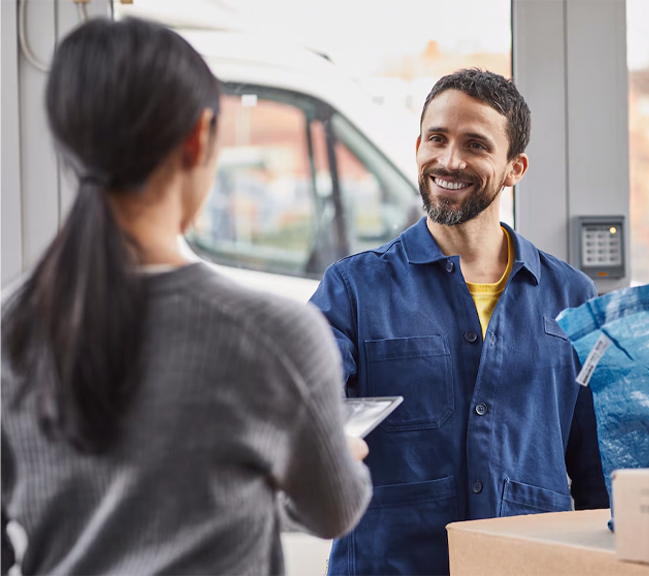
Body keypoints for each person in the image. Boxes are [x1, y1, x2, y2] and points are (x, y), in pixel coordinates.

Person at [0, 18, 372, 576]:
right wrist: (342, 455)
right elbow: (333, 512)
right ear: (200, 137)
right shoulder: (276, 335)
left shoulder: (14, 324)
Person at [310, 68, 609, 575]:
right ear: (418, 145)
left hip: (526, 565)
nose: (449, 161)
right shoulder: (353, 289)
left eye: (475, 144)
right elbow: (304, 409)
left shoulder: (571, 297)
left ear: (515, 167)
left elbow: (595, 468)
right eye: (437, 139)